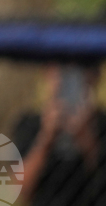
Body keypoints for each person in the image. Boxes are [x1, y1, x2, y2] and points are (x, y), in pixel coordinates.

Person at [13, 64, 106, 206]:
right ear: (47, 72)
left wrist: (88, 142)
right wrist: (46, 139)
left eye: (80, 69)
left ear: (96, 74)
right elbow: (20, 190)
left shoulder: (101, 124)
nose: (68, 78)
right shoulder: (29, 124)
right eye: (61, 68)